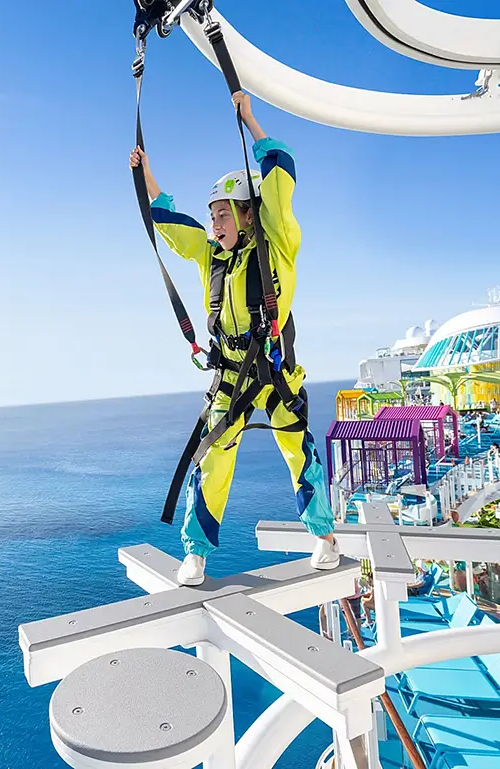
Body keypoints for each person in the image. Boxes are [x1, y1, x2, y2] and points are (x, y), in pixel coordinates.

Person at [129, 91, 338, 586]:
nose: (215, 223)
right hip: (229, 376)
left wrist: (251, 121)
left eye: (224, 213)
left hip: (275, 371)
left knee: (298, 452)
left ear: (249, 214)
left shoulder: (278, 242)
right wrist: (145, 173)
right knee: (214, 459)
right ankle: (196, 553)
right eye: (213, 214)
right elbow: (167, 219)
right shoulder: (211, 257)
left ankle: (325, 538)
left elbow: (281, 173)